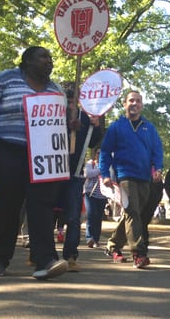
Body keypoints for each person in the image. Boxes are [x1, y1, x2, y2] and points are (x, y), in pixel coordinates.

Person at [0, 46, 70, 280]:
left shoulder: (56, 90)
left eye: (51, 58)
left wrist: (71, 124)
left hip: (42, 157)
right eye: (44, 57)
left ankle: (45, 261)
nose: (49, 62)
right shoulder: (6, 79)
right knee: (8, 208)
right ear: (27, 60)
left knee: (42, 208)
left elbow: (59, 126)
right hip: (9, 152)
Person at [99, 90, 163, 268]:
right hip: (125, 175)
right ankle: (138, 253)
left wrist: (157, 168)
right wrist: (105, 174)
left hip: (144, 177)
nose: (134, 104)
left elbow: (157, 150)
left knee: (133, 214)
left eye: (138, 101)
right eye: (131, 101)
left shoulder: (149, 128)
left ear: (142, 105)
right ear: (125, 104)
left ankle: (113, 246)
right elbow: (105, 152)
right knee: (133, 211)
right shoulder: (116, 127)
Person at [59, 87, 103, 271]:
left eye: (72, 100)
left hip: (75, 173)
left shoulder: (85, 118)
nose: (70, 104)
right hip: (52, 170)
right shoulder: (54, 114)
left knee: (73, 217)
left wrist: (96, 125)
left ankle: (70, 255)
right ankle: (40, 253)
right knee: (46, 214)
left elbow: (94, 142)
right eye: (66, 100)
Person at [83, 149, 105, 248]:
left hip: (102, 196)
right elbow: (87, 174)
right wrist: (100, 169)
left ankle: (96, 239)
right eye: (98, 153)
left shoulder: (107, 164)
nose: (99, 155)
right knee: (91, 214)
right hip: (90, 194)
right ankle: (89, 238)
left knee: (98, 217)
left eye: (102, 154)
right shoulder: (90, 164)